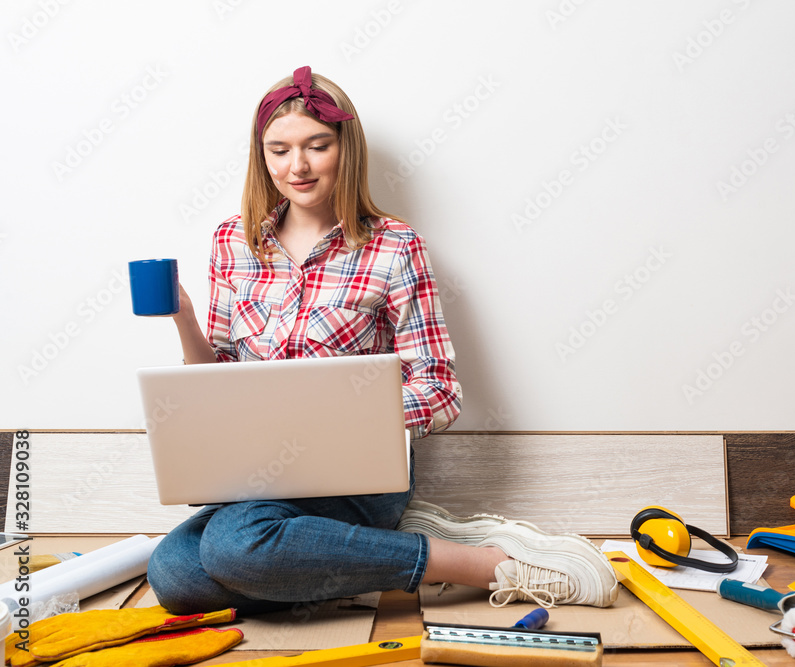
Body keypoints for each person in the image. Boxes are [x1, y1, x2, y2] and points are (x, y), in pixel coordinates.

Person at [146, 66, 618, 615]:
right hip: (261, 476)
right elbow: (220, 381)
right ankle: (375, 552)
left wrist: (341, 420)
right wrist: (184, 319)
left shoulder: (394, 246)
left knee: (234, 546)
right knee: (174, 576)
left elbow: (440, 391)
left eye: (316, 146)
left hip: (359, 477)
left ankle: (490, 562)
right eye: (278, 150)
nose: (295, 167)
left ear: (346, 150)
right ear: (261, 156)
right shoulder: (234, 241)